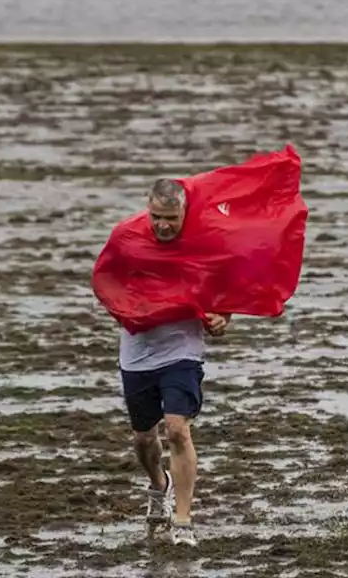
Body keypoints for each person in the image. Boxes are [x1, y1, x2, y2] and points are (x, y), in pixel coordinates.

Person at [118, 177, 229, 547]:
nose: (163, 225)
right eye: (156, 217)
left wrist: (221, 318)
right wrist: (119, 309)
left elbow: (222, 293)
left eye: (171, 217)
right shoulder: (128, 242)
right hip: (138, 354)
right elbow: (107, 283)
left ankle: (182, 522)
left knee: (178, 429)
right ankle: (157, 485)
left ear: (185, 212)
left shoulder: (203, 246)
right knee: (143, 439)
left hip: (182, 351)